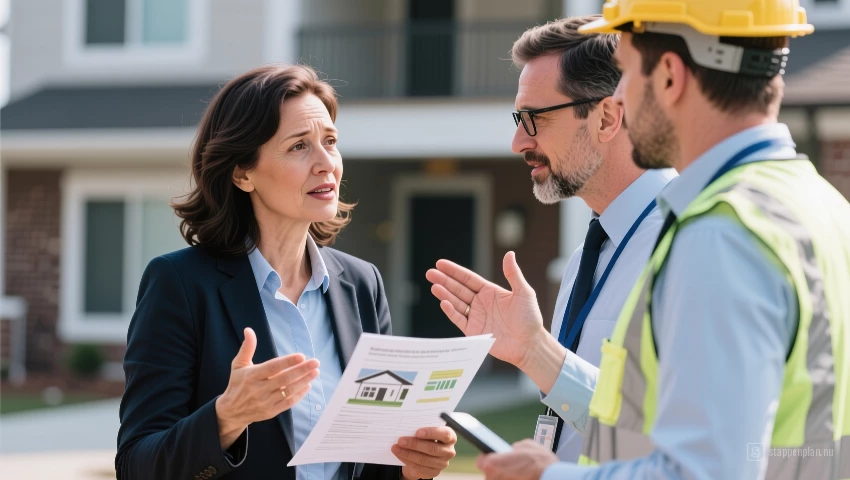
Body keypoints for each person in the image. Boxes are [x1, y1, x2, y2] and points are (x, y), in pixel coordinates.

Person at [433, 1, 850, 479]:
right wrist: (535, 351)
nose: (622, 97)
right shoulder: (823, 207)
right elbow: (670, 428)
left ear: (669, 76)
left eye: (627, 73)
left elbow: (701, 471)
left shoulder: (719, 233)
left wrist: (548, 477)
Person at [116, 65, 457, 480]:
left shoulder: (361, 284)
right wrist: (225, 418)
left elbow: (369, 466)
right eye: (299, 147)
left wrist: (410, 467)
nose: (326, 163)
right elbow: (136, 465)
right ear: (243, 173)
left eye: (330, 142)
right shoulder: (180, 284)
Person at [426, 15, 675, 463]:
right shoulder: (589, 253)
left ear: (607, 117)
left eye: (533, 118)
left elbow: (675, 435)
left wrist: (538, 353)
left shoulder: (688, 245)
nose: (518, 142)